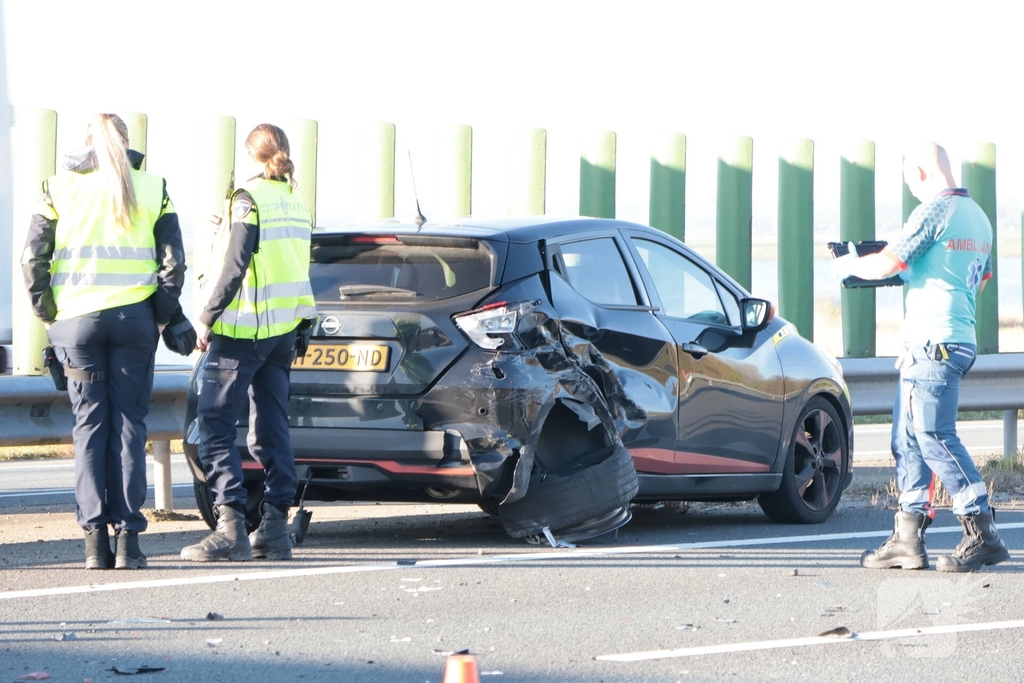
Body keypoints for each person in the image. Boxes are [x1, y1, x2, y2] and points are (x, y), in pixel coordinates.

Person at [832, 142, 1010, 572]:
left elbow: (888, 263)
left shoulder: (933, 211)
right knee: (909, 441)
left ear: (921, 172)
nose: (911, 189)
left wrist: (849, 265)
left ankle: (982, 532)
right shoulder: (980, 219)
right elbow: (976, 284)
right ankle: (907, 538)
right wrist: (919, 275)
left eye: (911, 180)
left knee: (934, 437)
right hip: (947, 342)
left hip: (934, 345)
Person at [21, 113, 187, 570]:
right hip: (134, 322)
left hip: (77, 324)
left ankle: (95, 540)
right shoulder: (154, 187)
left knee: (89, 427)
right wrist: (159, 318)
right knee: (131, 426)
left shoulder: (58, 188)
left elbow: (32, 258)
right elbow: (174, 265)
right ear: (128, 144)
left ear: (86, 144)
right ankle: (129, 540)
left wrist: (49, 314)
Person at [180, 123, 316, 562]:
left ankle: (231, 527)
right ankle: (275, 525)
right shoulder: (295, 202)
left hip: (243, 330)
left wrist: (205, 317)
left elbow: (236, 264)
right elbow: (273, 258)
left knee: (214, 426)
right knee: (272, 428)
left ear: (250, 155)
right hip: (282, 331)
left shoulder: (248, 199)